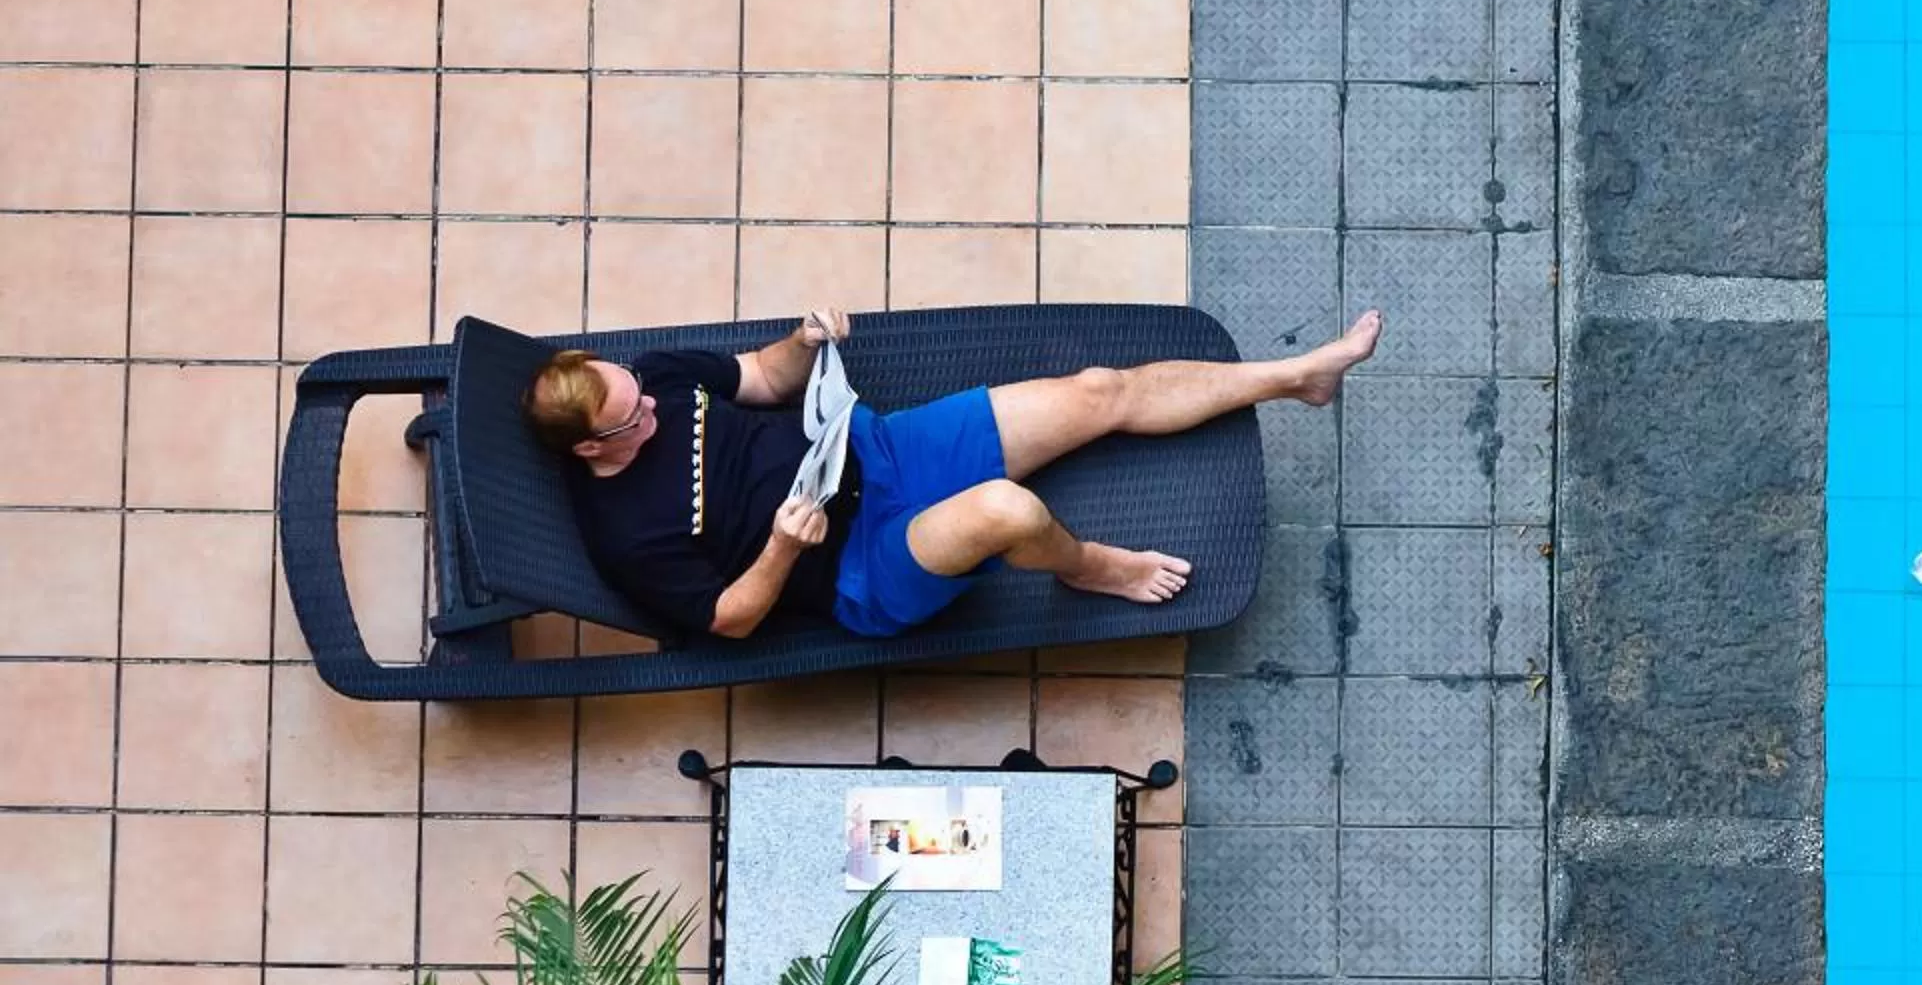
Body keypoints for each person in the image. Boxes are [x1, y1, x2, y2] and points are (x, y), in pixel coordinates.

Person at [519, 307, 1382, 642]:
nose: (656, 410)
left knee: (1097, 391)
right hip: (859, 563)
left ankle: (1296, 376)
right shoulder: (626, 534)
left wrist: (805, 342)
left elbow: (767, 377)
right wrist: (785, 547)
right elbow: (730, 619)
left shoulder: (656, 377)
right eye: (634, 419)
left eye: (639, 390)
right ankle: (1094, 570)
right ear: (593, 447)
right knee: (1007, 510)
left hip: (875, 449)